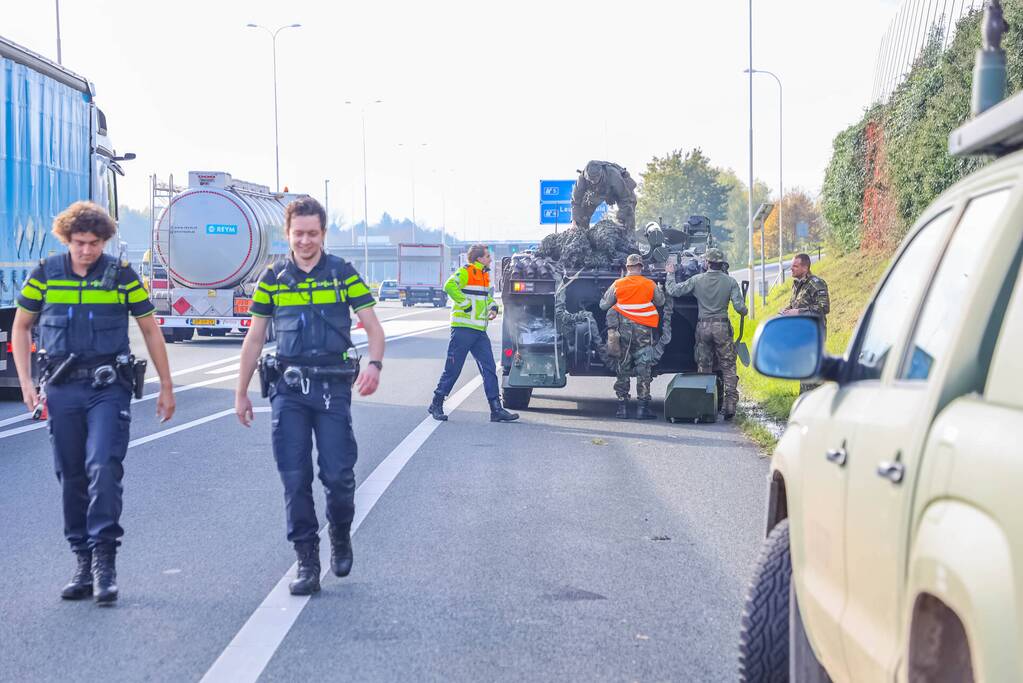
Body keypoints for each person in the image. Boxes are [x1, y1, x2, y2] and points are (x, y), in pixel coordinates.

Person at [11, 201, 176, 605]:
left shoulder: (121, 276)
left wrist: (167, 387)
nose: (87, 251)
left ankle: (105, 563)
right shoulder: (45, 274)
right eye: (80, 243)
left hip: (108, 387)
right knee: (71, 476)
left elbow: (151, 330)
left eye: (95, 243)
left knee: (103, 465)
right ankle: (82, 563)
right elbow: (20, 325)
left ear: (105, 241)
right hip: (63, 389)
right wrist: (26, 383)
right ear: (67, 239)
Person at [234, 197, 385, 596]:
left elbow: (373, 328)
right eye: (298, 234)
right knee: (294, 478)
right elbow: (254, 337)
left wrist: (374, 365)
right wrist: (241, 393)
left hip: (333, 387)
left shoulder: (341, 273)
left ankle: (339, 534)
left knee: (338, 475)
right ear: (287, 234)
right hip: (288, 389)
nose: (305, 241)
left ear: (323, 234)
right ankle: (306, 561)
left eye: (312, 234)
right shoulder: (273, 278)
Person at [428, 244, 519, 423]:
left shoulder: (484, 276)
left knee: (489, 369)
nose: (490, 259)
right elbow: (449, 286)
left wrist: (493, 307)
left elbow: (485, 298)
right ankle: (436, 403)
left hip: (478, 330)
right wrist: (465, 305)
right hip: (462, 328)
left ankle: (496, 410)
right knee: (453, 369)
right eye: (487, 256)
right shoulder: (467, 272)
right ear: (478, 258)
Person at [665, 247, 747, 420]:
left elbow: (673, 291)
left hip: (703, 327)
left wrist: (670, 274)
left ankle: (705, 405)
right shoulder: (730, 282)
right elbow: (740, 308)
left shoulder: (697, 279)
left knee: (704, 365)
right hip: (722, 327)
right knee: (728, 366)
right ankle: (730, 405)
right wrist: (745, 308)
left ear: (707, 263)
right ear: (720, 263)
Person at [600, 253, 664, 420]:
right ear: (640, 267)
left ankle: (622, 408)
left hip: (624, 335)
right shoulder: (649, 284)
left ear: (627, 268)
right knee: (644, 369)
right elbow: (661, 302)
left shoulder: (618, 284)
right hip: (644, 335)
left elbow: (603, 305)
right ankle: (643, 409)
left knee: (623, 367)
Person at [781, 253, 830, 393]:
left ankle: (814, 403)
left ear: (805, 267)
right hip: (801, 334)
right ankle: (805, 400)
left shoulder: (816, 283)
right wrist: (786, 311)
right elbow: (795, 305)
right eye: (791, 266)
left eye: (795, 266)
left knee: (811, 372)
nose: (792, 269)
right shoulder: (797, 285)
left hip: (814, 334)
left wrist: (799, 312)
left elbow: (824, 307)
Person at [571, 160, 638, 231]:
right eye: (591, 180)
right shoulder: (582, 179)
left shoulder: (613, 175)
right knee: (582, 211)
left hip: (619, 190)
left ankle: (629, 237)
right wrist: (574, 222)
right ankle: (582, 232)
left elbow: (625, 198)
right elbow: (575, 202)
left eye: (595, 179)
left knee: (628, 211)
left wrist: (620, 219)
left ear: (600, 174)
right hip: (598, 192)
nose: (593, 182)